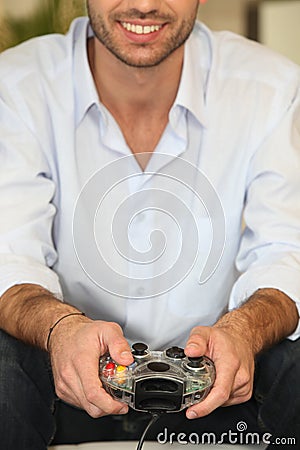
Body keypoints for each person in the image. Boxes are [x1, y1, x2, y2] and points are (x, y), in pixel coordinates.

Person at [0, 0, 299, 448]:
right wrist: (61, 330)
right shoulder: (17, 85)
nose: (143, 4)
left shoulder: (271, 87)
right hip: (58, 384)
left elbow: (286, 251)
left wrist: (244, 331)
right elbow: (9, 257)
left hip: (224, 395)